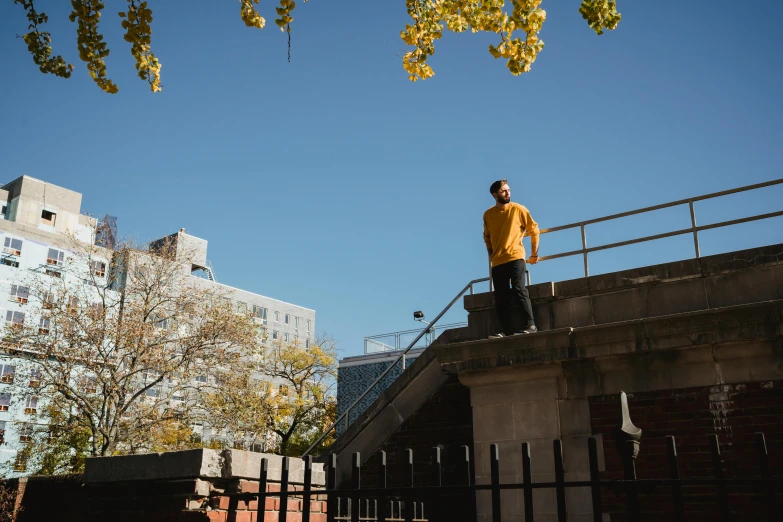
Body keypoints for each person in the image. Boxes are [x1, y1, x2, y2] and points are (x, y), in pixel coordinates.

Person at [482, 179, 540, 337]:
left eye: (508, 190)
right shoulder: (488, 215)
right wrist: (491, 253)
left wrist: (534, 254)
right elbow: (486, 236)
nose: (508, 193)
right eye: (504, 191)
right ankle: (506, 331)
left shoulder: (519, 209)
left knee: (519, 288)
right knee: (500, 296)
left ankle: (531, 325)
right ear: (495, 195)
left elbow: (534, 230)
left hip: (516, 256)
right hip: (498, 261)